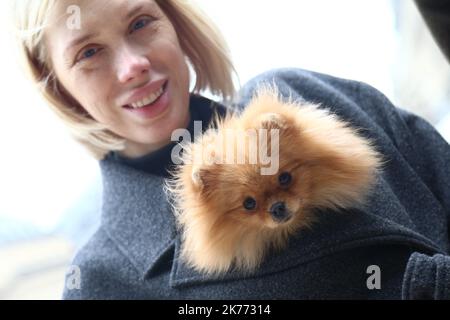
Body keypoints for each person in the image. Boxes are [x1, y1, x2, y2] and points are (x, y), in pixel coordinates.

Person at [14, 0, 450, 299]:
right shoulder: (99, 281)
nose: (133, 66)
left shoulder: (306, 94)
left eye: (140, 22)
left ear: (175, 24)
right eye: (89, 51)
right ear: (59, 88)